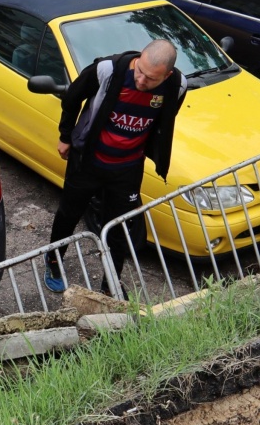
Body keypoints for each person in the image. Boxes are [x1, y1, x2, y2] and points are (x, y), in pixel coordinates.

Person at [44, 40, 188, 295]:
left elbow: (162, 122)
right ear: (139, 58)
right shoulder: (107, 70)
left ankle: (110, 281)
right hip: (88, 161)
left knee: (120, 226)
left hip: (127, 168)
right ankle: (53, 262)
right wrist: (66, 136)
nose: (142, 81)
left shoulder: (177, 86)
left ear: (166, 75)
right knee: (68, 214)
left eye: (151, 79)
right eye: (139, 71)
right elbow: (72, 97)